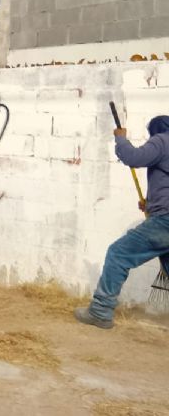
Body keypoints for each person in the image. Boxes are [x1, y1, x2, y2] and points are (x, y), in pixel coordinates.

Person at [75, 115, 169, 329]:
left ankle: (100, 310)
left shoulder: (162, 140)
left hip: (165, 221)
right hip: (164, 215)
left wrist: (121, 138)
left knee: (119, 254)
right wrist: (152, 204)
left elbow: (132, 157)